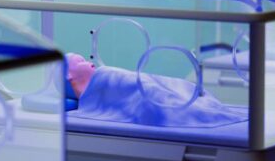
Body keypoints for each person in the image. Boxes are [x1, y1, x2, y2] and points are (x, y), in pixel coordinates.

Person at [64, 53, 247, 128]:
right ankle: (196, 110)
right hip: (141, 93)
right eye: (80, 61)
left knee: (166, 87)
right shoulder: (104, 79)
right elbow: (134, 92)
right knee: (155, 97)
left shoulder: (104, 76)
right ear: (68, 76)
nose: (89, 61)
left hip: (144, 85)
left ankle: (199, 106)